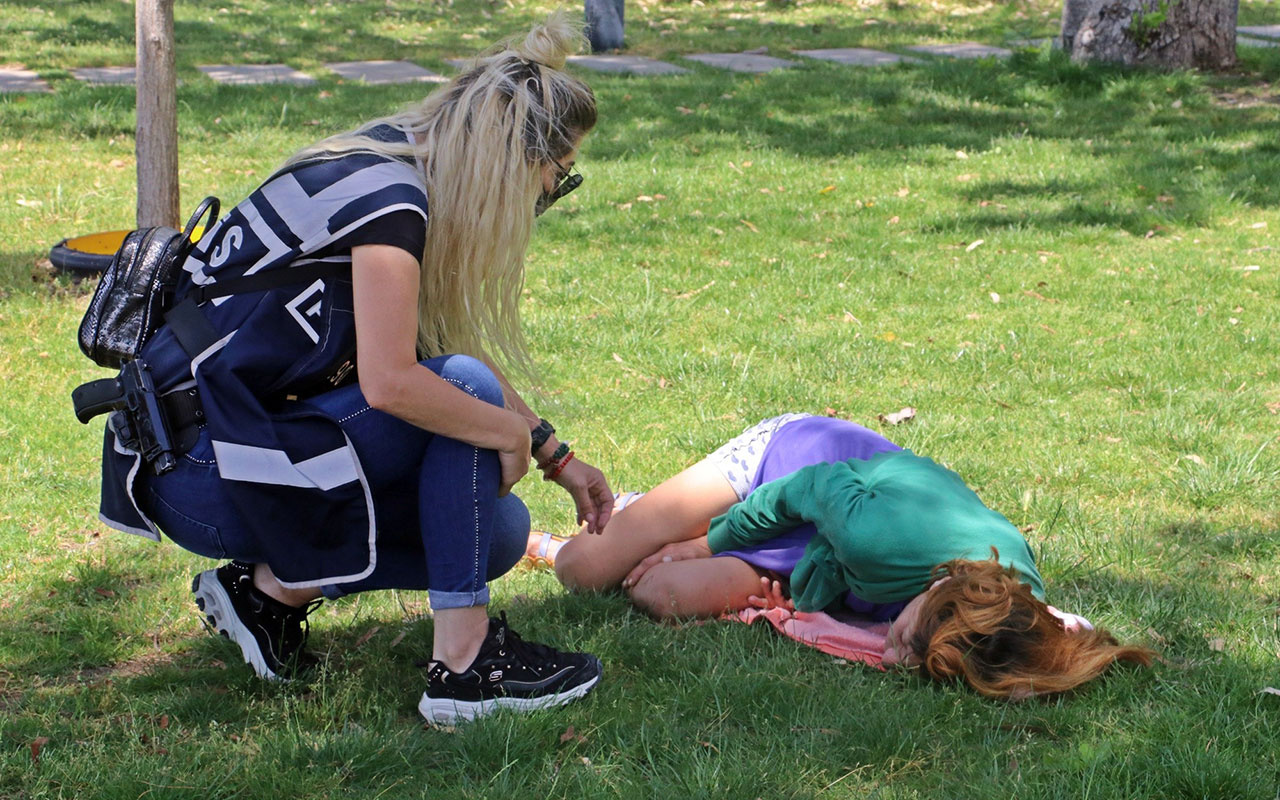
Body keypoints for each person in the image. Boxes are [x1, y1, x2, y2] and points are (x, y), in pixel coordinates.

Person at [92, 14, 611, 724]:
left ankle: (267, 597)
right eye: (556, 179)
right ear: (511, 158)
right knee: (465, 395)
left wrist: (553, 451)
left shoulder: (382, 161)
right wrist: (507, 434)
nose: (546, 200)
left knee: (500, 534)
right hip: (204, 474)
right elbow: (395, 382)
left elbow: (429, 339)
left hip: (202, 454)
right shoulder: (393, 206)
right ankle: (464, 668)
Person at [545, 414, 1154, 700]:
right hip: (784, 471)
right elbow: (803, 491)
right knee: (582, 570)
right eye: (907, 641)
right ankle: (631, 513)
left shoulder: (1013, 603)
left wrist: (808, 594)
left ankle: (651, 523)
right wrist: (706, 541)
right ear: (932, 597)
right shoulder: (880, 544)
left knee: (658, 592)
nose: (889, 655)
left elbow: (1041, 646)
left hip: (823, 544)